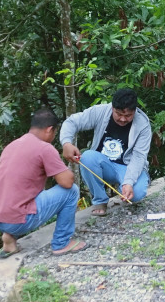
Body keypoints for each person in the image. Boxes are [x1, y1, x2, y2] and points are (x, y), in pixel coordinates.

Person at [0, 107, 87, 257]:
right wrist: (66, 165)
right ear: (49, 130)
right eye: (54, 133)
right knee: (71, 192)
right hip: (18, 220)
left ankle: (9, 239)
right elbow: (67, 182)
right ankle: (62, 243)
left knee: (17, 193)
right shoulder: (44, 148)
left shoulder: (12, 146)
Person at [60, 88, 152, 216]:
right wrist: (66, 143)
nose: (123, 119)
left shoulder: (143, 124)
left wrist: (128, 182)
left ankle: (124, 188)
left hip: (127, 167)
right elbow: (72, 122)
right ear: (112, 108)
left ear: (135, 111)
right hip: (103, 164)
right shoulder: (100, 111)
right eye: (119, 114)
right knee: (87, 157)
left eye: (128, 116)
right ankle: (100, 200)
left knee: (136, 194)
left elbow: (139, 157)